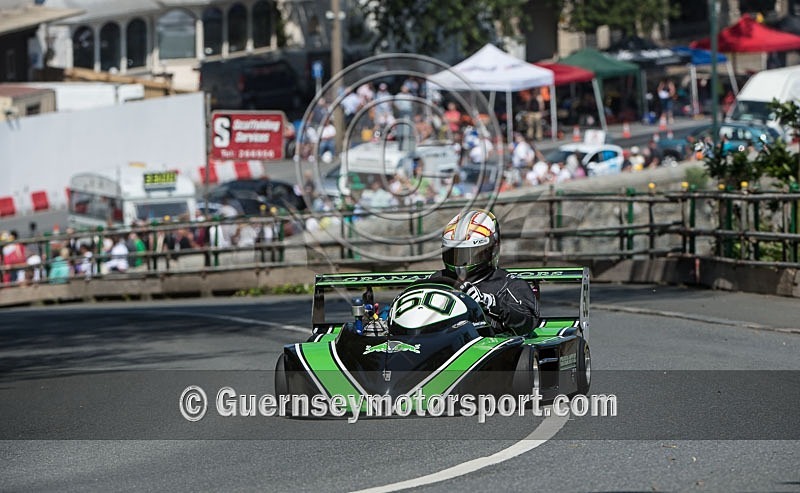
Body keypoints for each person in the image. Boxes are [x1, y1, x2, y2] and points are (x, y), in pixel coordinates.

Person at [432, 209, 539, 335]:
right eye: (454, 254)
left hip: (487, 348)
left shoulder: (509, 284)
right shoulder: (437, 279)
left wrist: (490, 303)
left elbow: (529, 321)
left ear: (492, 249)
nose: (460, 262)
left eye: (469, 255)